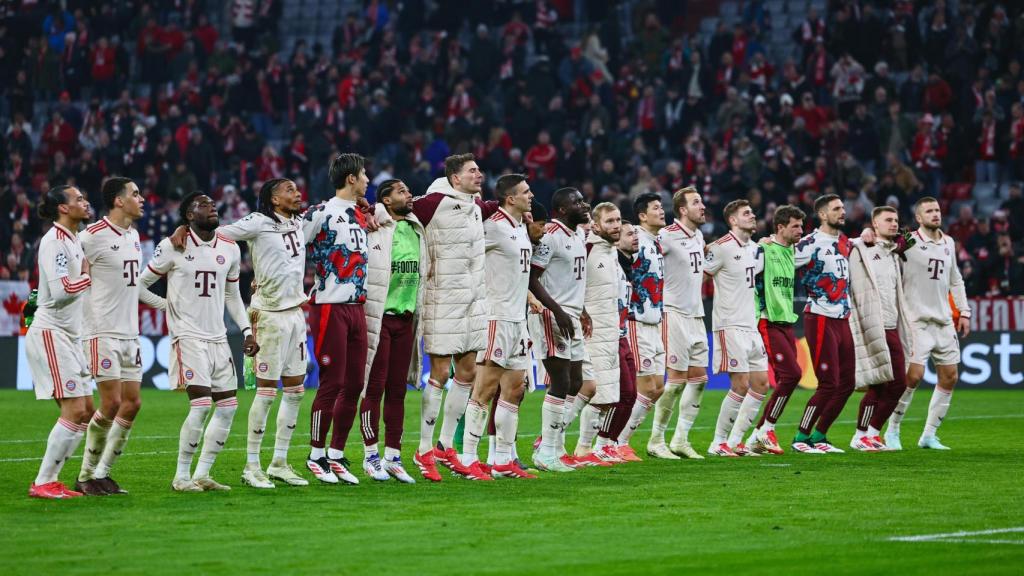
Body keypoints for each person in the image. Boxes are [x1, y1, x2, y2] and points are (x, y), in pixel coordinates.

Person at [139, 192, 258, 492]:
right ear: (189, 216)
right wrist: (168, 306)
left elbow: (232, 295)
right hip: (188, 337)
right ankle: (181, 476)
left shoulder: (230, 248)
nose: (212, 207)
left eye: (212, 204)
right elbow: (139, 286)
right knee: (202, 404)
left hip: (218, 338)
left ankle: (203, 473)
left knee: (228, 407)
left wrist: (245, 331)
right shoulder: (172, 245)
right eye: (203, 205)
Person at [408, 153, 499, 482]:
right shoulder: (433, 202)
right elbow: (395, 208)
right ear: (454, 178)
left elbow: (491, 206)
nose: (479, 175)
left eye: (479, 170)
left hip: (473, 302)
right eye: (472, 171)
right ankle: (423, 448)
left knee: (468, 371)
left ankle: (446, 445)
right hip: (442, 298)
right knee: (441, 370)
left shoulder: (474, 206)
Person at [221, 179, 310, 488]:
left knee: (296, 391)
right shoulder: (258, 223)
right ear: (273, 198)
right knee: (267, 393)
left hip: (296, 314)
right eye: (289, 190)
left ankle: (280, 462)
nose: (297, 193)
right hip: (269, 315)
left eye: (297, 189)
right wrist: (186, 234)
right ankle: (251, 465)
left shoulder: (299, 221)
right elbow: (219, 234)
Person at [458, 174, 537, 480]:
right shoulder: (492, 227)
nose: (531, 195)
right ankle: (467, 458)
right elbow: (467, 252)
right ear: (510, 198)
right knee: (485, 389)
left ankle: (502, 460)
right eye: (525, 192)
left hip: (518, 320)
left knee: (515, 390)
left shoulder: (519, 226)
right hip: (496, 318)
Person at [303, 153, 371, 484]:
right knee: (333, 382)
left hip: (357, 306)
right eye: (364, 175)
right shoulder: (320, 213)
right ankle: (315, 454)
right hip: (329, 304)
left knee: (356, 384)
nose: (368, 180)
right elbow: (291, 247)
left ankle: (336, 453)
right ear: (351, 179)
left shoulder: (361, 214)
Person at [75, 177, 145, 495]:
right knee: (112, 402)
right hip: (102, 331)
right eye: (135, 194)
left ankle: (102, 472)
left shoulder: (134, 235)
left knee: (132, 404)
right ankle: (86, 474)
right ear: (118, 201)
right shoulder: (90, 237)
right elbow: (70, 276)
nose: (141, 198)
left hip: (131, 333)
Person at [885, 197, 970, 450]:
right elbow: (881, 248)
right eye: (929, 211)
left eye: (937, 210)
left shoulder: (948, 243)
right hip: (915, 320)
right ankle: (892, 430)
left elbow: (956, 279)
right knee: (913, 376)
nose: (935, 214)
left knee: (950, 376)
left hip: (943, 320)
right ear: (919, 218)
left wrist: (963, 311)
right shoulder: (907, 241)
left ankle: (929, 435)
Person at [26, 185, 94, 499]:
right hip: (51, 333)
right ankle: (44, 482)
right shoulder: (54, 242)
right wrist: (88, 275)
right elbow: (61, 291)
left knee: (86, 410)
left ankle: (53, 480)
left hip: (69, 336)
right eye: (78, 199)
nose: (85, 201)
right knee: (75, 409)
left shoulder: (74, 240)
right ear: (63, 208)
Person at [361, 179, 427, 483]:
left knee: (398, 390)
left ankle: (393, 456)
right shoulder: (372, 224)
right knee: (374, 388)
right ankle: (370, 455)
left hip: (406, 318)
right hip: (379, 318)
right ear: (385, 201)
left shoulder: (416, 227)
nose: (409, 194)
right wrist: (366, 209)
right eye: (402, 191)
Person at [527, 187, 591, 472]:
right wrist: (557, 311)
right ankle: (547, 452)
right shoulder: (550, 236)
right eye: (576, 202)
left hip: (572, 315)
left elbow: (572, 278)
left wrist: (581, 310)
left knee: (576, 383)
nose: (583, 204)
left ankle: (549, 444)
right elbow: (532, 277)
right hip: (553, 316)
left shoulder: (577, 234)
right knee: (561, 382)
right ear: (563, 209)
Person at [704, 200, 769, 457]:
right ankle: (718, 442)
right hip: (729, 324)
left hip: (751, 326)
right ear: (733, 220)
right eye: (746, 213)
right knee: (740, 384)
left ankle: (736, 441)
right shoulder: (720, 248)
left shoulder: (756, 248)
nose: (752, 216)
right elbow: (699, 274)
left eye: (752, 212)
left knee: (761, 383)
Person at [847, 206, 914, 451]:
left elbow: (913, 237)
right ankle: (862, 435)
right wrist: (862, 234)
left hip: (892, 323)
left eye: (896, 220)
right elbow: (845, 243)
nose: (894, 223)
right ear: (875, 224)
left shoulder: (894, 251)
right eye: (888, 220)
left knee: (896, 383)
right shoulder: (861, 247)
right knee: (882, 383)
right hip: (872, 323)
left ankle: (871, 433)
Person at [791, 194, 854, 454]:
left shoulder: (845, 242)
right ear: (822, 215)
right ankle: (800, 437)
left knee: (847, 383)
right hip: (819, 316)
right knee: (828, 383)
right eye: (836, 209)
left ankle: (819, 435)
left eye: (843, 208)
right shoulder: (808, 243)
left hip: (843, 318)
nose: (842, 212)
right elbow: (781, 260)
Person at [650, 186, 709, 460]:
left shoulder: (698, 236)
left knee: (698, 380)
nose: (702, 206)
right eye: (696, 203)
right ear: (683, 210)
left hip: (696, 315)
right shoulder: (666, 236)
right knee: (675, 382)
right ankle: (655, 440)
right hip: (673, 313)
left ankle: (681, 439)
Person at [746, 205, 806, 455]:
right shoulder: (763, 250)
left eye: (802, 226)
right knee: (791, 375)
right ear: (780, 227)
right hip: (767, 319)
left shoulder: (792, 249)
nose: (800, 231)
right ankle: (765, 429)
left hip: (785, 321)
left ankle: (756, 437)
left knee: (791, 377)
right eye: (795, 226)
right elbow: (743, 275)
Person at [615, 193, 667, 460]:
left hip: (654, 321)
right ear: (642, 215)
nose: (662, 211)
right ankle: (617, 441)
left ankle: (621, 440)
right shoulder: (633, 238)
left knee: (658, 387)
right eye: (656, 208)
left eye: (662, 207)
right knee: (644, 387)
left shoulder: (656, 242)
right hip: (635, 320)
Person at [573, 203, 625, 464]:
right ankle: (575, 447)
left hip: (611, 330)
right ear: (595, 225)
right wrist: (581, 312)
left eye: (618, 220)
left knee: (607, 396)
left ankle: (587, 448)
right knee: (595, 392)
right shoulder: (588, 249)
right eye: (610, 221)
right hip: (592, 333)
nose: (616, 226)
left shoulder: (611, 251)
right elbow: (569, 283)